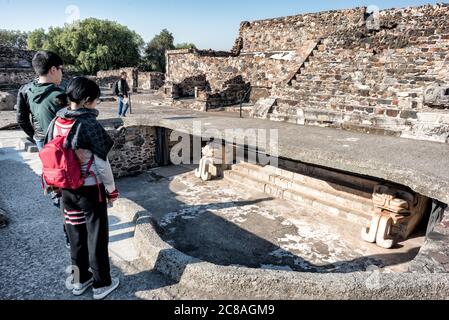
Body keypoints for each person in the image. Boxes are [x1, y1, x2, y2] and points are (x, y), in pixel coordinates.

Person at [45, 77, 120, 300]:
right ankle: (101, 283)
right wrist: (111, 189)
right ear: (87, 100)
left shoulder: (57, 121)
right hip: (90, 190)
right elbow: (101, 163)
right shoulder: (88, 124)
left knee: (75, 236)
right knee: (96, 238)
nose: (96, 103)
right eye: (96, 100)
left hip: (66, 190)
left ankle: (79, 280)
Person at [16, 50, 70, 248]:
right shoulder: (60, 95)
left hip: (41, 142)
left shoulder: (26, 90)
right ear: (53, 69)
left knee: (53, 178)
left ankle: (56, 196)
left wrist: (35, 136)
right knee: (68, 188)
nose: (62, 74)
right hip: (61, 147)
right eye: (61, 69)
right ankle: (70, 235)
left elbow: (21, 119)